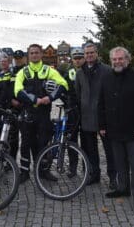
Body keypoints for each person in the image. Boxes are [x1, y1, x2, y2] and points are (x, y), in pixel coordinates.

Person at [98, 47, 134, 211]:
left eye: (120, 59)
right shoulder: (106, 78)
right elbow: (100, 104)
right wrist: (101, 125)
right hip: (114, 131)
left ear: (127, 60)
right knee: (119, 164)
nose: (117, 62)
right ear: (111, 61)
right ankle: (123, 188)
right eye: (114, 59)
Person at [14, 44, 68, 183]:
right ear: (28, 55)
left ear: (41, 54)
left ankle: (43, 171)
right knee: (25, 144)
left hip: (44, 115)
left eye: (37, 53)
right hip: (28, 114)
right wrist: (35, 99)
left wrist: (49, 98)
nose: (34, 55)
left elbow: (63, 84)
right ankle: (24, 172)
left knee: (43, 144)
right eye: (31, 53)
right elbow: (17, 90)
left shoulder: (48, 70)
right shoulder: (23, 72)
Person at [75, 42, 116, 188]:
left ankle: (113, 177)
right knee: (90, 149)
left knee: (110, 149)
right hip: (86, 117)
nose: (89, 55)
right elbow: (78, 95)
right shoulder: (80, 73)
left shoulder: (107, 70)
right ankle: (94, 174)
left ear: (97, 53)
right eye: (86, 53)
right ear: (84, 55)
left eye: (91, 52)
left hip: (104, 116)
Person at [62, 47, 85, 177]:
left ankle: (88, 168)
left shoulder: (88, 71)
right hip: (72, 111)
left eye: (80, 58)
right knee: (72, 140)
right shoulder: (68, 72)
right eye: (75, 58)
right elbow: (63, 89)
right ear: (72, 59)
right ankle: (73, 167)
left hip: (86, 111)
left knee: (87, 141)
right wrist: (67, 103)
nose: (77, 61)